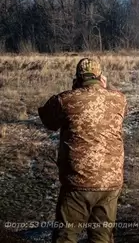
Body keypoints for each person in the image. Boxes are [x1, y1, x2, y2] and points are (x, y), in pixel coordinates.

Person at [38, 58, 127, 243]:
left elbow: (48, 120)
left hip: (77, 182)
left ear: (78, 78)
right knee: (102, 238)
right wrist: (104, 89)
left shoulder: (65, 100)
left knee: (66, 236)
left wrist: (73, 90)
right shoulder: (119, 99)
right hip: (110, 183)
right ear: (100, 76)